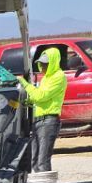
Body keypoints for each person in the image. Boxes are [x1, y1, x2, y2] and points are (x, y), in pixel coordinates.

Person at [23, 45, 67, 174]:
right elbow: (40, 97)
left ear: (53, 62)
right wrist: (30, 101)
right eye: (41, 64)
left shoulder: (58, 77)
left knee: (42, 161)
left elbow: (40, 96)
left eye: (45, 64)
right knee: (35, 160)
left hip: (48, 121)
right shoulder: (46, 78)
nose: (42, 67)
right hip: (39, 121)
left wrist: (25, 84)